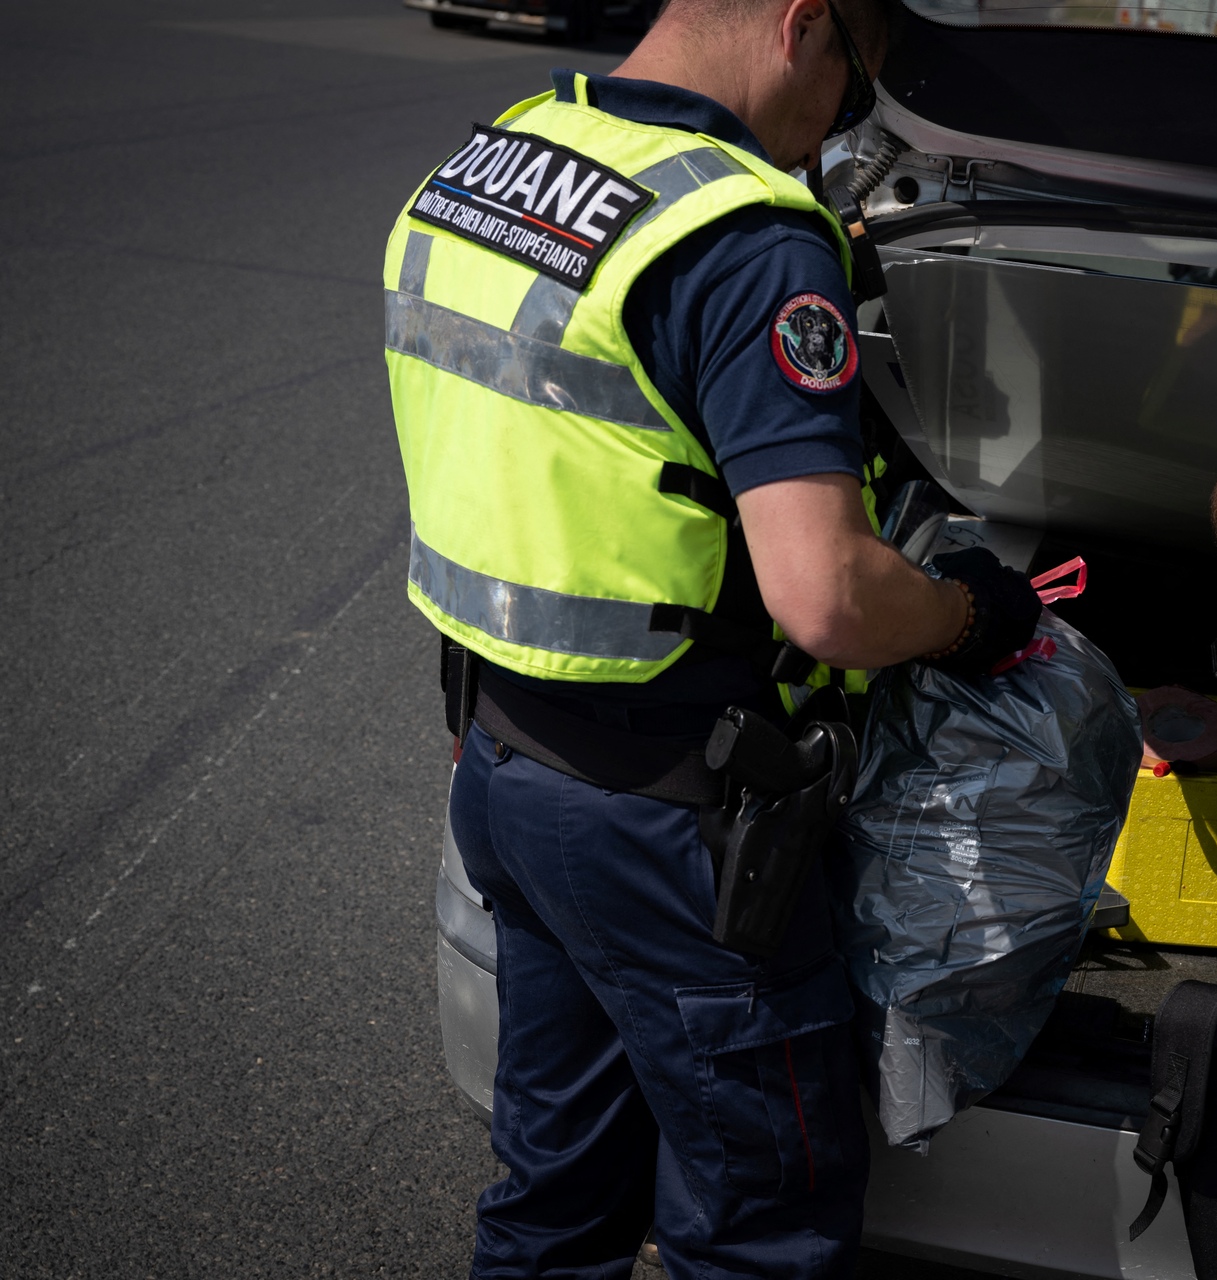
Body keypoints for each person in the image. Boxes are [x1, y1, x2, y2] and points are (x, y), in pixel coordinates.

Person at [382, 0, 1043, 1274]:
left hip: (506, 767)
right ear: (803, 25)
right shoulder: (744, 236)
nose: (836, 130)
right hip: (678, 828)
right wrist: (969, 614)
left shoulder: (485, 164)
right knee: (758, 1222)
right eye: (853, 85)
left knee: (554, 1192)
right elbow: (828, 597)